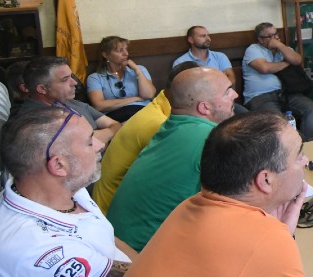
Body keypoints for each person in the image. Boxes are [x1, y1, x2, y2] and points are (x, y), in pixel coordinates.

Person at [104, 112, 313, 277]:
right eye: (298, 155)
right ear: (265, 180)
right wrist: (283, 240)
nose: (305, 160)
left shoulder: (189, 206)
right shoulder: (261, 239)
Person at [0, 107, 133, 277]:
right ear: (59, 165)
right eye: (89, 142)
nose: (100, 145)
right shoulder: (35, 246)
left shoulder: (60, 188)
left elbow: (110, 239)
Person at [105, 67, 239, 252]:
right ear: (204, 107)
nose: (235, 95)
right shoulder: (210, 140)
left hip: (117, 245)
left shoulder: (171, 127)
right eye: (227, 92)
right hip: (142, 257)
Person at [92, 62, 200, 214]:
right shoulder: (160, 124)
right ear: (191, 94)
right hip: (114, 213)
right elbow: (178, 184)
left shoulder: (159, 107)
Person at [242, 22, 313, 141]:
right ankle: (300, 144)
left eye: (276, 34)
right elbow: (264, 68)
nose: (276, 38)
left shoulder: (282, 49)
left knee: (310, 107)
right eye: (270, 36)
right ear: (260, 39)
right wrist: (286, 63)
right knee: (279, 122)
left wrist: (279, 45)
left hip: (285, 94)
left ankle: (311, 143)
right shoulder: (253, 49)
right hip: (260, 97)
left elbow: (297, 60)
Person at [21, 56, 122, 145]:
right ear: (42, 89)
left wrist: (103, 134)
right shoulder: (32, 123)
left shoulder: (71, 102)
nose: (74, 82)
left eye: (71, 76)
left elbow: (116, 125)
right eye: (65, 79)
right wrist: (99, 137)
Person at [85, 36, 156, 122]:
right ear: (106, 55)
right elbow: (99, 106)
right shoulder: (95, 78)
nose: (126, 54)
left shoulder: (140, 69)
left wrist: (136, 70)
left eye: (126, 49)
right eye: (120, 50)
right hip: (116, 118)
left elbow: (149, 95)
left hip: (143, 112)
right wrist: (136, 98)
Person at [172, 26, 237, 84]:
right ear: (191, 40)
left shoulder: (220, 56)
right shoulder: (180, 62)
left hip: (221, 93)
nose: (208, 39)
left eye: (208, 35)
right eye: (203, 36)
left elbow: (231, 79)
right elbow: (181, 86)